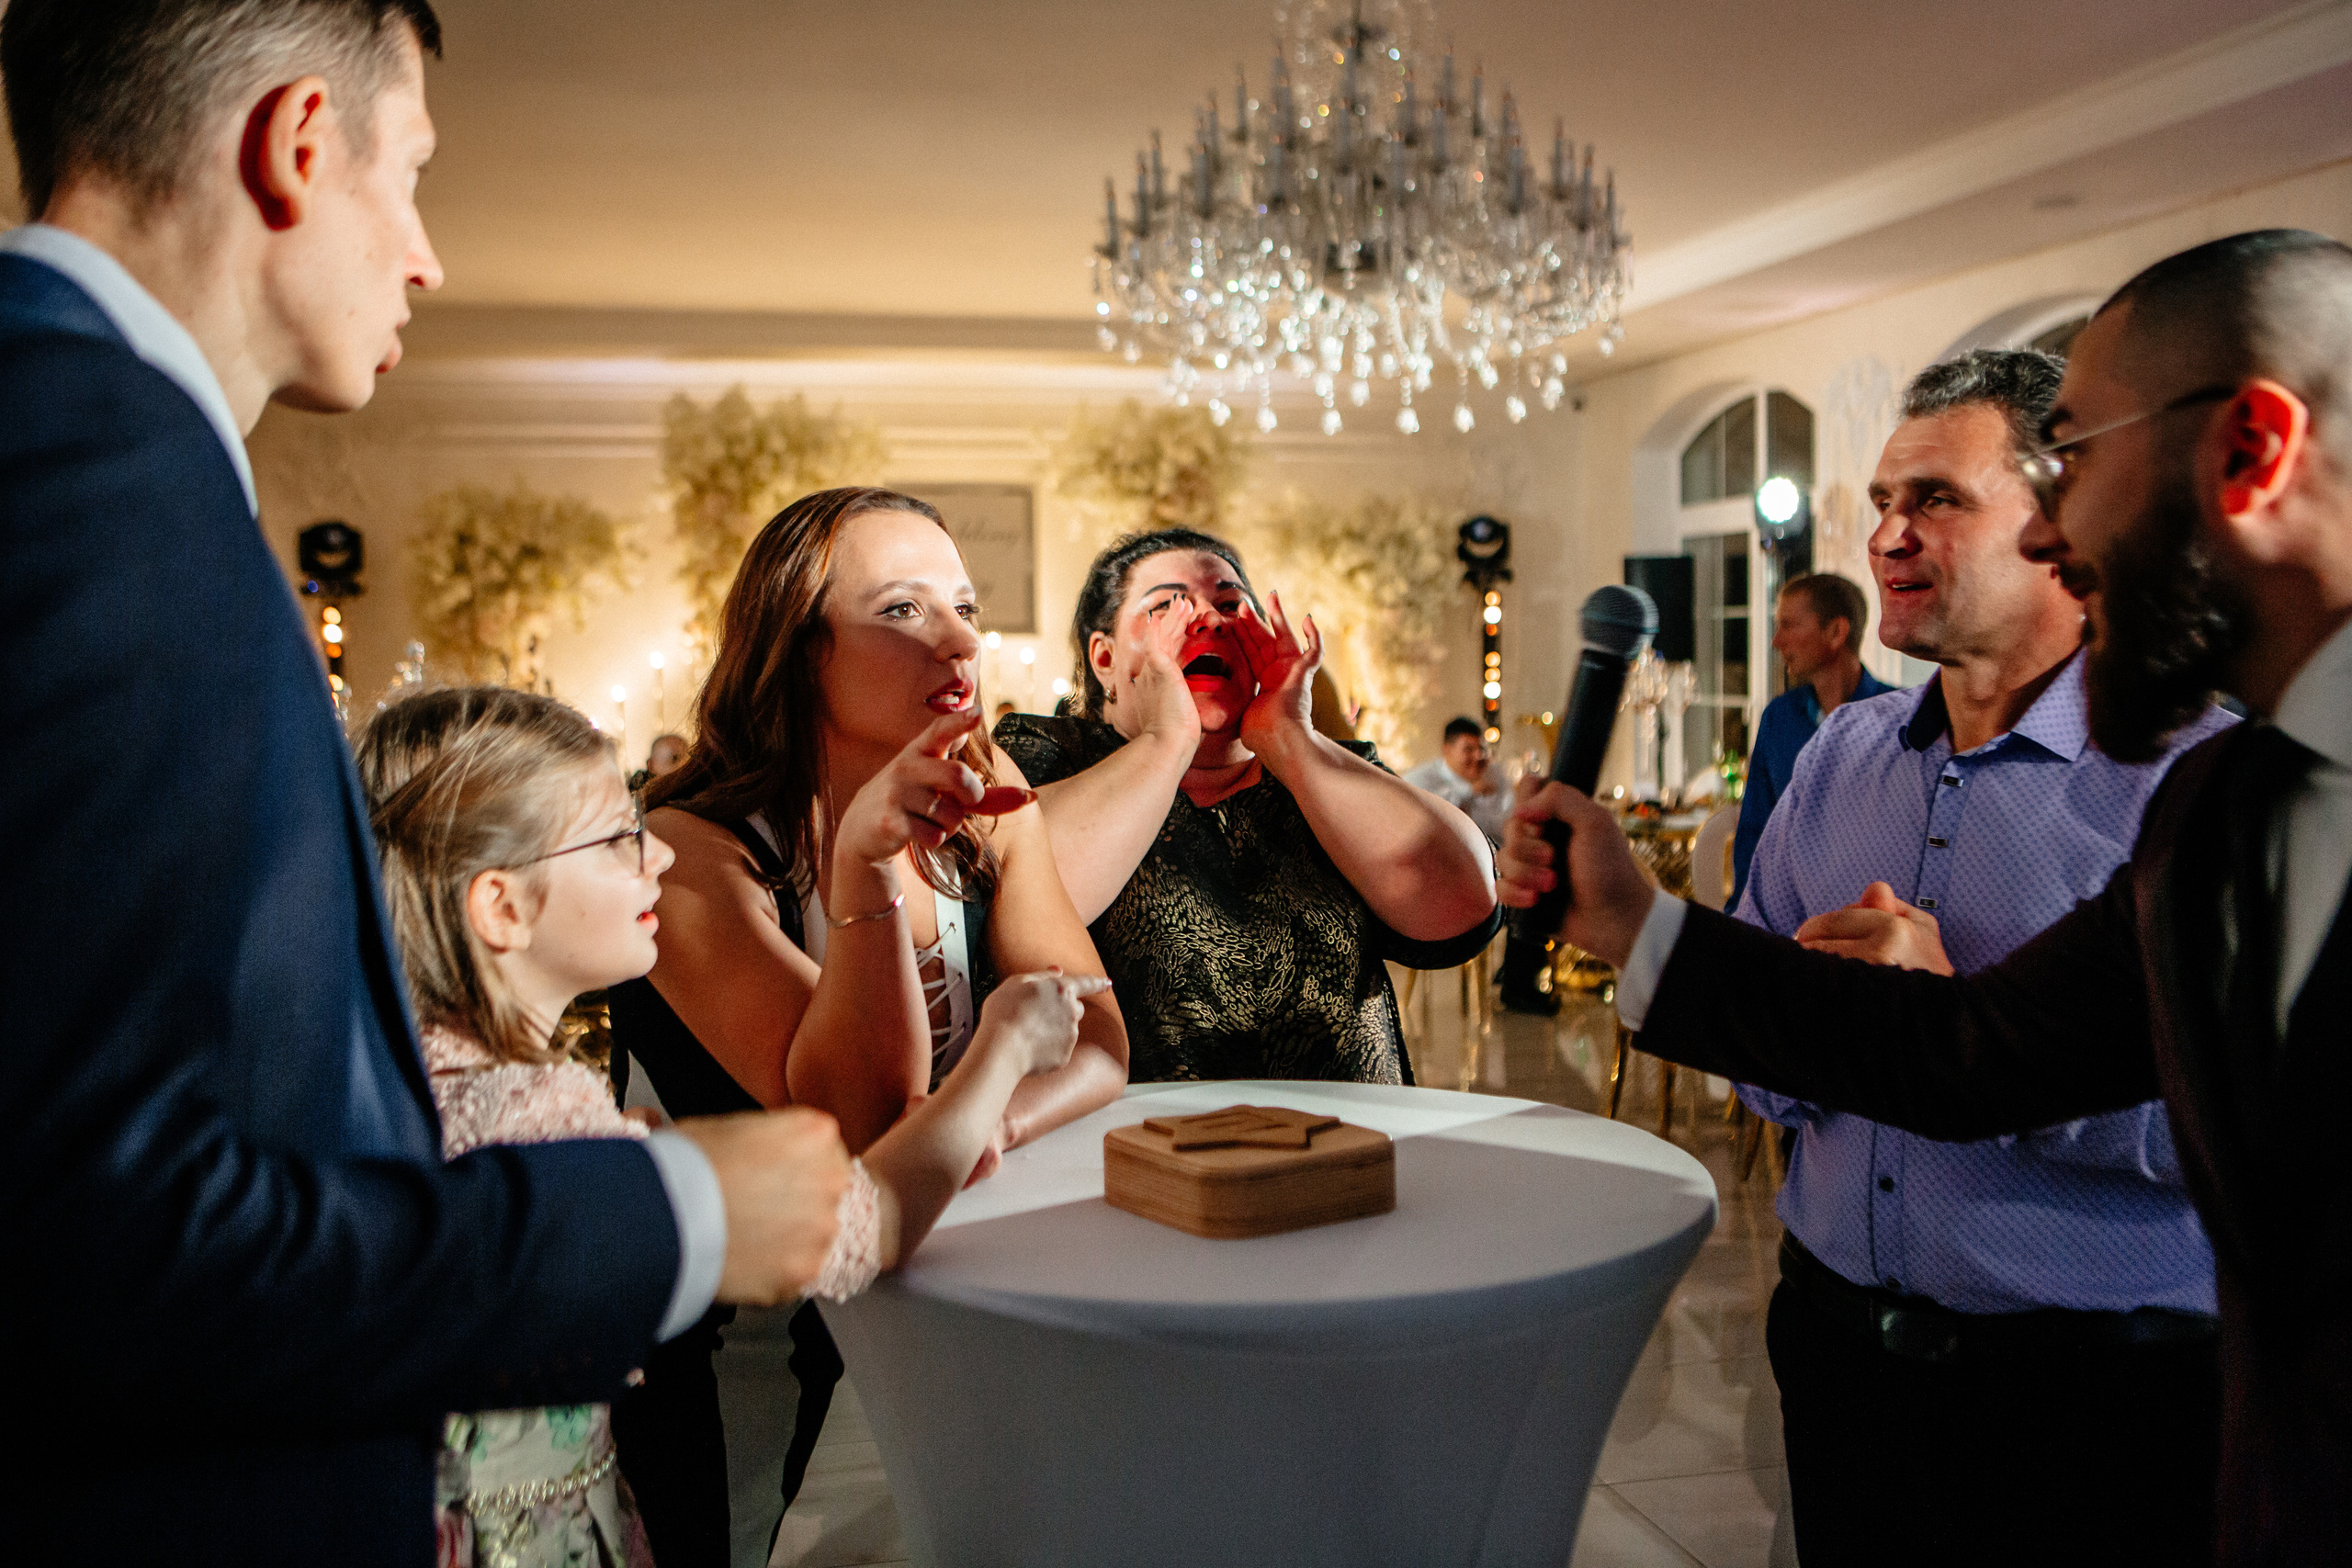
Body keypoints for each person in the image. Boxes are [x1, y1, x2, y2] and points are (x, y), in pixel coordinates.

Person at [0, 6, 850, 1561]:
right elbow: (91, 1238)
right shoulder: (98, 473)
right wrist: (672, 1215)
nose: (426, 257)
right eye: (411, 174)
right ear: (297, 142)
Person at [1498, 230, 2352, 1567]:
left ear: (2250, 450)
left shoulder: (2200, 782)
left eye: (2079, 459)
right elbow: (1967, 1052)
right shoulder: (2235, 805)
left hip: (2107, 1405)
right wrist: (1634, 922)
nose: (2061, 529)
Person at [356, 685, 1103, 1567]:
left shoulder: (398, 1085)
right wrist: (1003, 1051)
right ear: (502, 907)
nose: (660, 857)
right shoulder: (538, 1122)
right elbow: (858, 1226)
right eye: (617, 838)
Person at [1734, 349, 2231, 1567]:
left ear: (2063, 520)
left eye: (1937, 500)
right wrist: (1805, 1024)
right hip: (1838, 1352)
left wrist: (1959, 1033)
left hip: (2093, 1397)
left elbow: (2243, 1133)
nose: (1886, 538)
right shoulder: (1838, 758)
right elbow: (1748, 1044)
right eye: (1882, 503)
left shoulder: (2198, 783)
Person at [609, 486, 1128, 1562]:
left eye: (965, 607)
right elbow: (856, 1124)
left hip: (954, 1300)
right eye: (902, 609)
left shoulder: (985, 791)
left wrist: (988, 1127)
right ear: (798, 649)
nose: (960, 640)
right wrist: (867, 863)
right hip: (753, 1355)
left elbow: (1096, 1042)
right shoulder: (694, 850)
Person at [995, 527, 1500, 1084]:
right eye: (1167, 606)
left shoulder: (1318, 772)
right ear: (1105, 657)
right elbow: (1013, 893)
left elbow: (1463, 901)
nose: (1209, 620)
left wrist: (1294, 742)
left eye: (1232, 605)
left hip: (1346, 1133)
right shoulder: (1048, 756)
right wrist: (1168, 740)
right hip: (1132, 1136)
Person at [1729, 571, 1892, 908]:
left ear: (1836, 632)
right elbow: (1755, 834)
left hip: (1872, 915)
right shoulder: (1778, 718)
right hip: (1789, 918)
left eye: (1788, 625)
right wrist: (1741, 918)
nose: (1776, 641)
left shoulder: (1897, 718)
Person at [1405, 716, 1514, 842]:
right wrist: (1469, 792)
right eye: (1469, 749)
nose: (1478, 755)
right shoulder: (1419, 780)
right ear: (1447, 750)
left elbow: (1508, 820)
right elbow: (1429, 824)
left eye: (1481, 748)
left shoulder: (1494, 774)